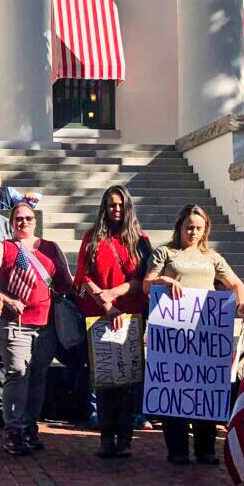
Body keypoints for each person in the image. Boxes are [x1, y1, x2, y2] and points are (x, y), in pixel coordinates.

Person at [142, 205, 244, 466]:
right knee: (175, 389)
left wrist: (242, 303)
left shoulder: (213, 257)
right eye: (189, 227)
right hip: (172, 333)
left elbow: (235, 283)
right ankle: (177, 448)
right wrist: (164, 282)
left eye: (198, 228)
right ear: (179, 227)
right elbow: (147, 284)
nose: (193, 232)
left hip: (204, 333)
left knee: (205, 389)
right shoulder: (165, 253)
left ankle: (206, 448)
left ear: (205, 231)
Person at [0, 202, 72, 456]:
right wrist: (7, 299)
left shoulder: (50, 248)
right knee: (17, 375)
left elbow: (64, 283)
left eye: (28, 218)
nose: (24, 222)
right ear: (11, 222)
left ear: (36, 220)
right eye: (18, 218)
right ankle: (13, 430)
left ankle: (29, 426)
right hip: (16, 324)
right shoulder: (4, 247)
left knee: (37, 378)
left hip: (46, 325)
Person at [74, 185, 149, 458]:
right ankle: (106, 439)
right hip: (100, 317)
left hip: (130, 318)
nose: (115, 209)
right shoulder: (92, 238)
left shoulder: (140, 241)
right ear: (103, 208)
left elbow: (143, 281)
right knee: (105, 383)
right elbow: (82, 277)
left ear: (127, 207)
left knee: (128, 384)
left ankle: (125, 440)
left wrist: (116, 294)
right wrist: (107, 306)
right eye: (110, 205)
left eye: (119, 205)